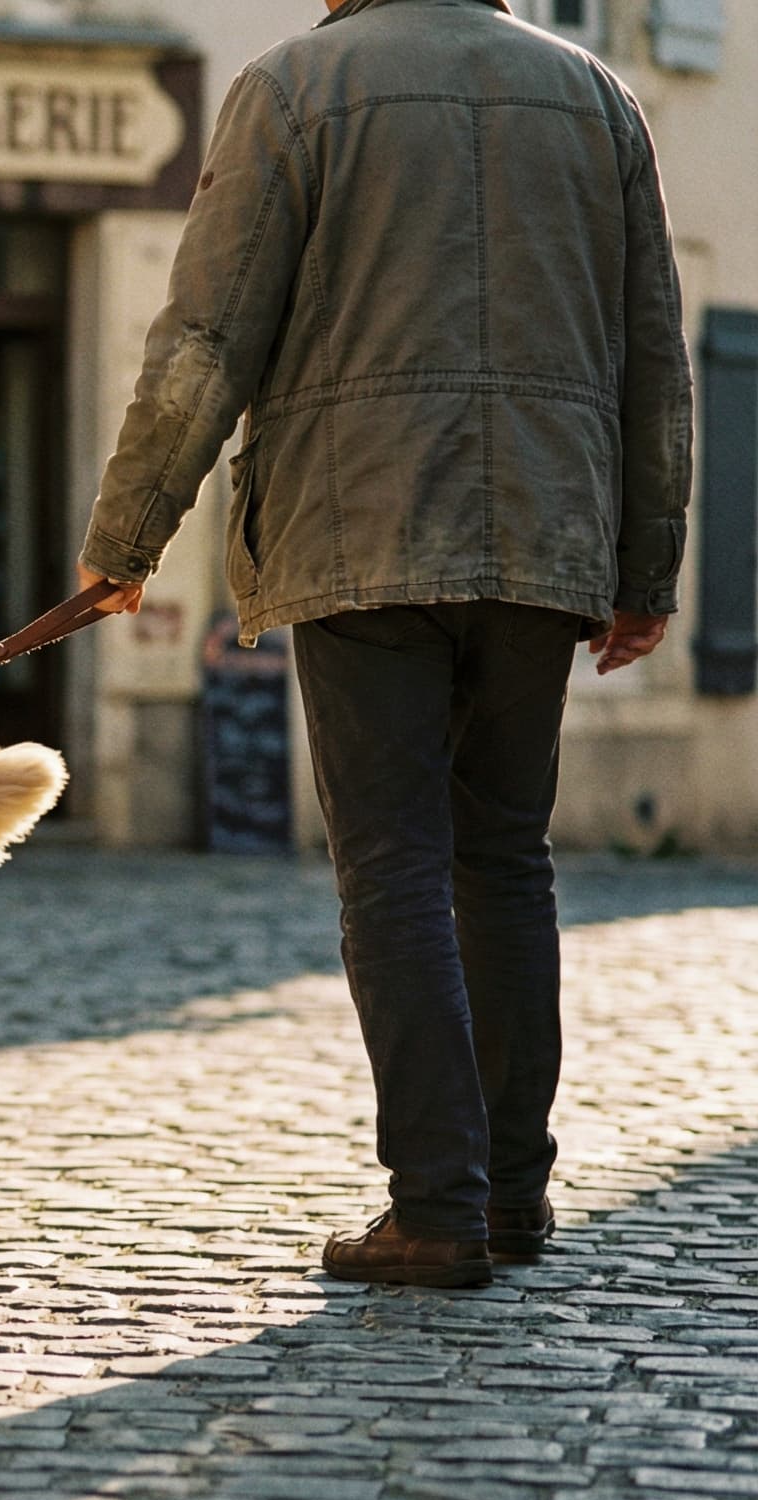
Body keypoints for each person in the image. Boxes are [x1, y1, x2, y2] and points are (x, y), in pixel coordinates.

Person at [72, 0, 694, 1287]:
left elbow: (205, 336)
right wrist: (645, 568)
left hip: (353, 532)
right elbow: (652, 360)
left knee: (395, 870)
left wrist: (126, 537)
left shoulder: (294, 87)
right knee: (506, 862)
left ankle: (435, 1208)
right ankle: (511, 1198)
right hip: (543, 530)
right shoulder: (596, 99)